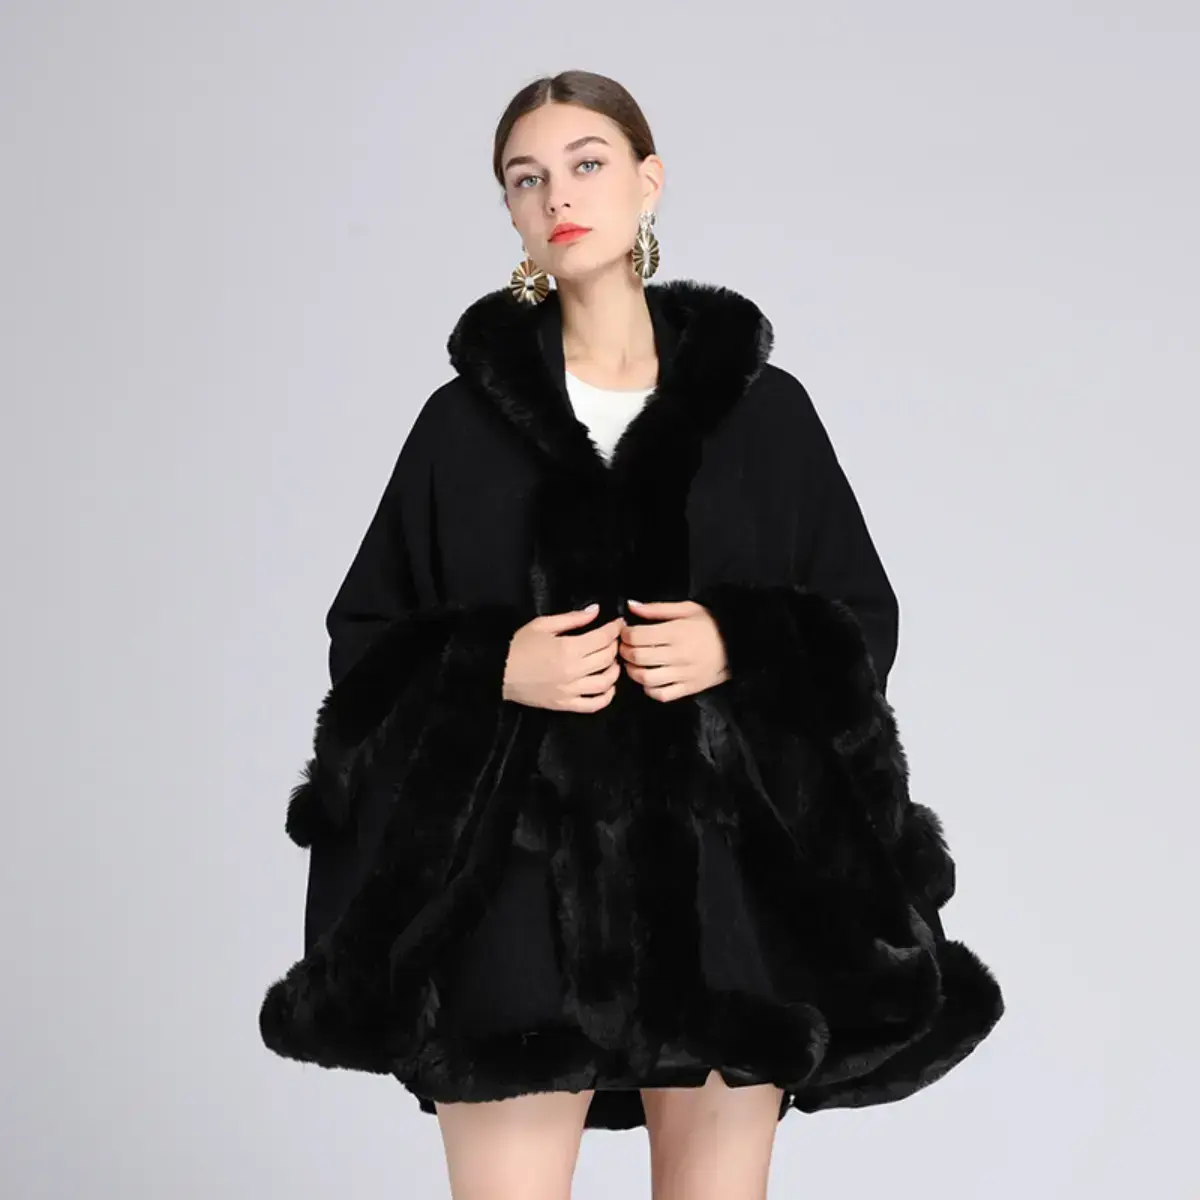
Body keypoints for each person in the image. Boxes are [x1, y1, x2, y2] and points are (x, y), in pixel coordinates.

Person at [259, 70, 1005, 1199]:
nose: (558, 194)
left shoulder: (764, 414)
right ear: (512, 214)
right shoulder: (460, 428)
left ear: (649, 181)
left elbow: (861, 619)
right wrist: (494, 665)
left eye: (587, 163)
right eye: (526, 178)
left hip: (726, 891)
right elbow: (364, 645)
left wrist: (741, 644)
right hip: (515, 895)